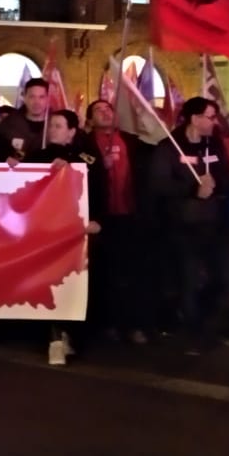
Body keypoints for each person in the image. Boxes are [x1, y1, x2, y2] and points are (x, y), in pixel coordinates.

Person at [151, 96, 229, 354]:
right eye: (210, 117)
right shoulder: (169, 148)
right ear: (195, 119)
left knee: (222, 278)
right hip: (182, 226)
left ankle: (193, 311)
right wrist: (192, 189)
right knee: (188, 280)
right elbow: (158, 184)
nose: (214, 122)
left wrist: (217, 185)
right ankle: (193, 333)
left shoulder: (215, 145)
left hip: (214, 225)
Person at [24, 109, 105, 364]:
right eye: (52, 126)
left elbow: (101, 189)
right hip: (47, 232)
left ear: (72, 131)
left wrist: (99, 220)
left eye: (60, 126)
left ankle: (73, 335)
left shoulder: (89, 159)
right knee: (50, 282)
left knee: (76, 283)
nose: (54, 130)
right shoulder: (37, 157)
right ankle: (54, 338)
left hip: (79, 232)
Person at [85, 99, 154, 346]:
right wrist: (98, 168)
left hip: (131, 216)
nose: (104, 113)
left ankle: (135, 324)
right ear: (90, 120)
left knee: (134, 273)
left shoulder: (132, 142)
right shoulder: (84, 144)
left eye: (108, 109)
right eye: (98, 111)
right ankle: (109, 323)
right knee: (106, 274)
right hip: (103, 219)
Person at [0, 77, 51, 159]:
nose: (36, 102)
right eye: (32, 97)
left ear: (47, 99)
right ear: (24, 97)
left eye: (41, 97)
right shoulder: (8, 125)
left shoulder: (56, 124)